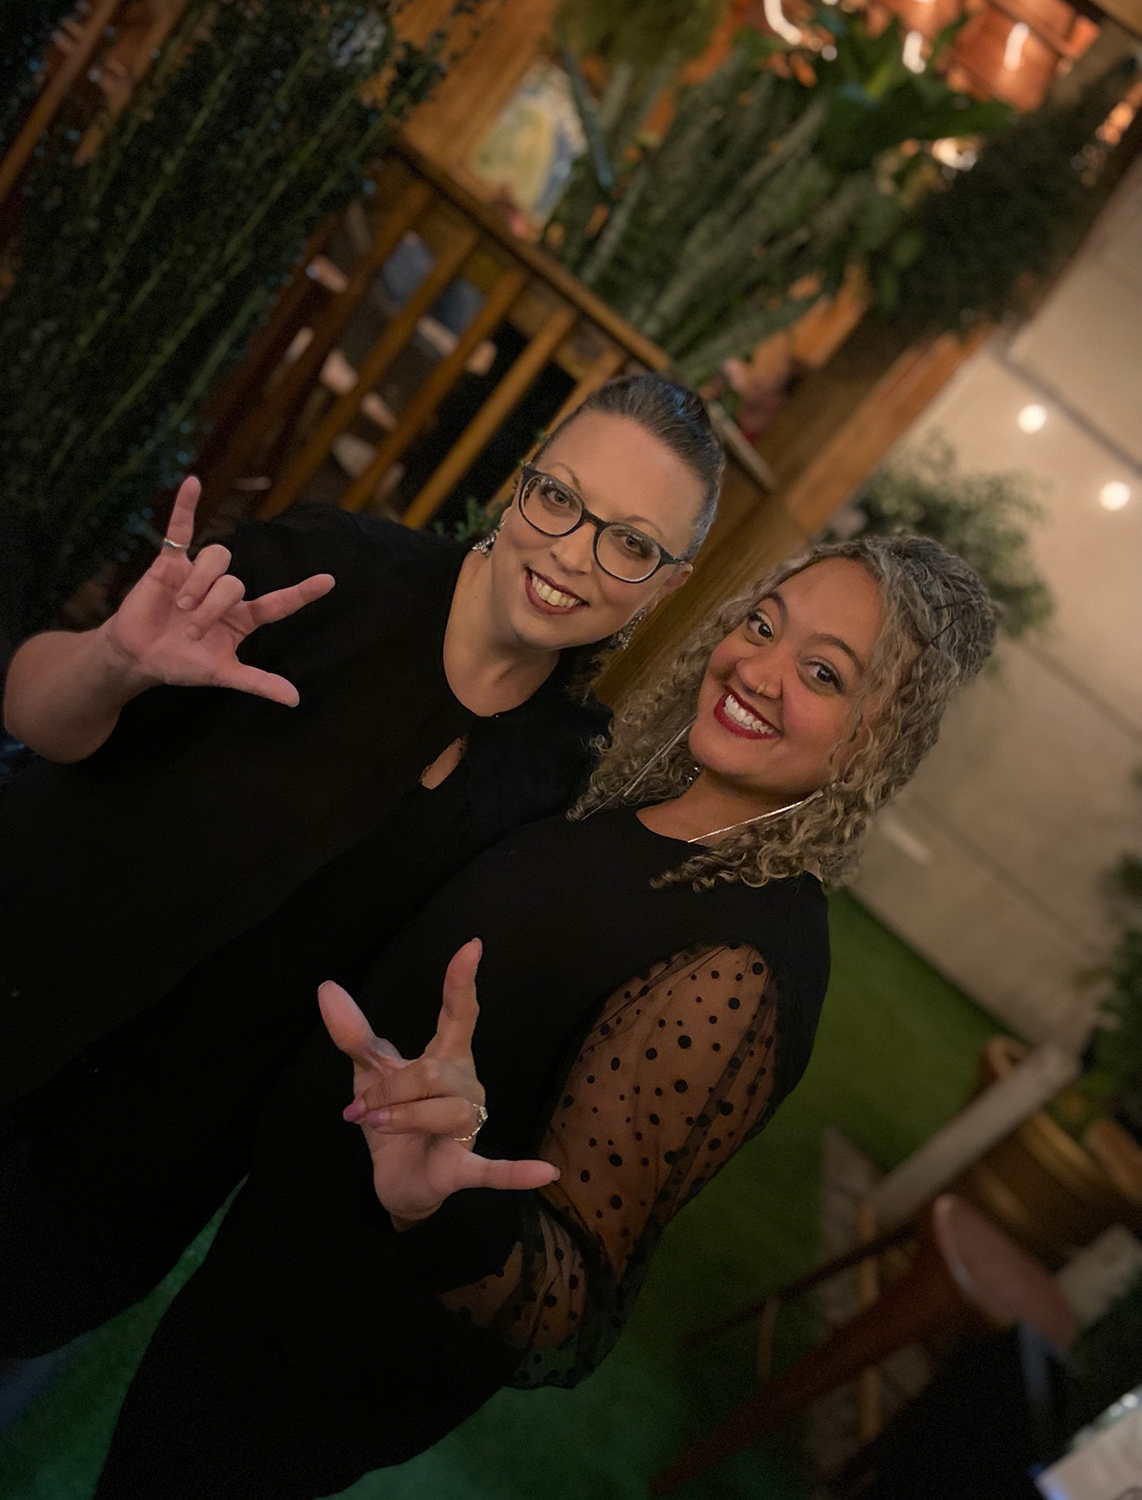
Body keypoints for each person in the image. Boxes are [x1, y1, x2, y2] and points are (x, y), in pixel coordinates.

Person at [90, 533, 998, 1500]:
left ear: (876, 737)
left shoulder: (743, 967)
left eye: (822, 672)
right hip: (276, 1255)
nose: (762, 670)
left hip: (331, 1345)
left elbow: (564, 1295)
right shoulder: (652, 803)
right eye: (762, 625)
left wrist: (443, 1199)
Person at [0, 375, 721, 1443]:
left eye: (629, 543)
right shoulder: (323, 575)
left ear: (665, 585)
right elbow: (36, 712)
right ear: (520, 483)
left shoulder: (558, 786)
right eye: (560, 499)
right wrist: (114, 663)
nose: (573, 553)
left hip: (122, 1182)